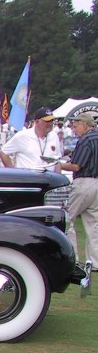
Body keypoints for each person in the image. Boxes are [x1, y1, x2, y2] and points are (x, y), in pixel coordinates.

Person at [55, 110, 98, 265]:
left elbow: (76, 166)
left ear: (85, 125)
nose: (74, 129)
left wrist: (60, 165)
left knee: (68, 219)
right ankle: (95, 261)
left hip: (84, 183)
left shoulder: (85, 140)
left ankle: (72, 258)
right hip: (96, 183)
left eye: (76, 126)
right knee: (93, 224)